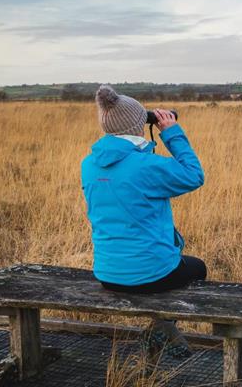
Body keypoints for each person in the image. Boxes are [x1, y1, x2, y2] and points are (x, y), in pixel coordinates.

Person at [81, 84, 206, 354]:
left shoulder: (88, 164)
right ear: (140, 124)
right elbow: (195, 175)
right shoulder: (147, 165)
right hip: (153, 274)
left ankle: (162, 331)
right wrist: (171, 132)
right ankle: (162, 329)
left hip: (107, 273)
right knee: (198, 268)